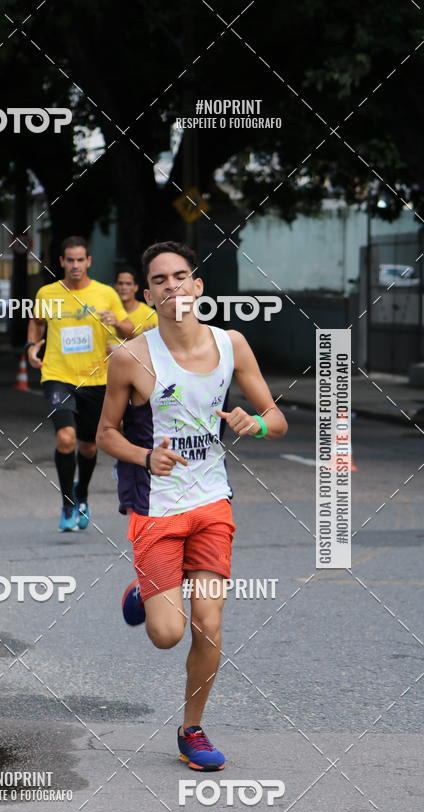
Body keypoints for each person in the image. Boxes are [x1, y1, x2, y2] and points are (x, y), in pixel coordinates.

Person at [97, 241, 288, 772]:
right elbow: (106, 434)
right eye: (160, 280)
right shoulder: (131, 357)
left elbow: (277, 418)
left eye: (181, 276)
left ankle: (192, 729)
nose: (173, 287)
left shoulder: (232, 345)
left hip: (211, 503)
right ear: (148, 295)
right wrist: (143, 456)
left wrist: (257, 422)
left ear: (198, 286)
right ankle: (144, 590)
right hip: (156, 508)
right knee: (167, 634)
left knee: (208, 624)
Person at [27, 236, 134, 532]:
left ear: (89, 261)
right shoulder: (47, 293)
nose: (75, 265)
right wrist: (31, 346)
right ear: (61, 262)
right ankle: (66, 504)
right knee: (65, 438)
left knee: (88, 447)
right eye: (69, 260)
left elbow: (129, 330)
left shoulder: (106, 294)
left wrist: (116, 321)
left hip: (97, 379)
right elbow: (36, 322)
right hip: (57, 375)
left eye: (80, 260)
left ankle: (82, 493)